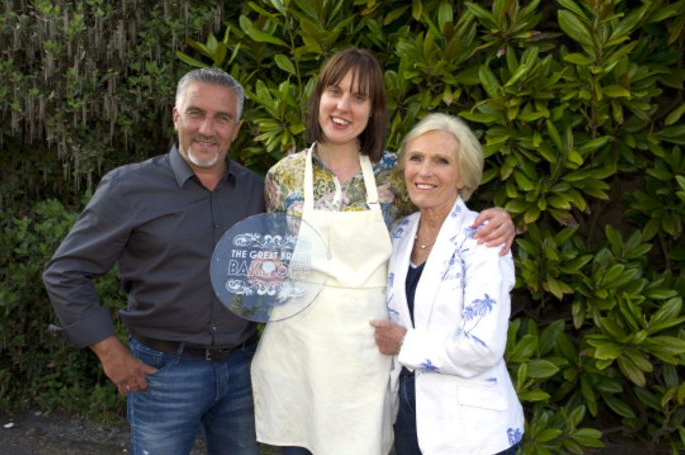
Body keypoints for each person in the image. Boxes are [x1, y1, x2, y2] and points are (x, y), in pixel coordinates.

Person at [251, 48, 516, 455]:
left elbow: (445, 217)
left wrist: (499, 218)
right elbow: (273, 266)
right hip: (298, 356)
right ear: (318, 96)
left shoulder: (396, 172)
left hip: (369, 358)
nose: (343, 106)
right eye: (334, 91)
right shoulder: (281, 176)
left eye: (359, 97)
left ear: (373, 111)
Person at [42, 68, 265, 455]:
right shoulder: (129, 187)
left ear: (236, 128)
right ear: (176, 116)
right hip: (162, 373)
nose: (207, 128)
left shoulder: (256, 191)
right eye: (196, 113)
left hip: (241, 370)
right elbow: (65, 273)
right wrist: (110, 353)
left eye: (222, 118)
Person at [370, 113, 524, 455]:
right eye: (416, 158)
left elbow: (482, 346)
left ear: (462, 176)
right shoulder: (398, 233)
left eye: (441, 161)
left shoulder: (484, 238)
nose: (424, 171)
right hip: (410, 420)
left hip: (472, 433)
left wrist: (404, 343)